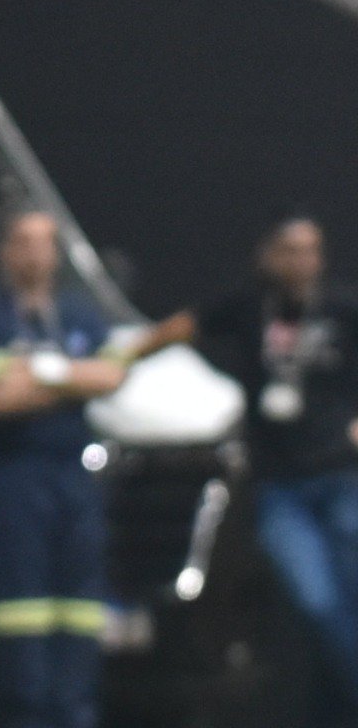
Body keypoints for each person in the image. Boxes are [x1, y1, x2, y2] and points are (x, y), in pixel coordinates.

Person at [146, 213, 358, 721]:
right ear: (268, 253)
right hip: (281, 485)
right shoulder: (248, 307)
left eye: (312, 250)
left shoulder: (341, 307)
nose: (302, 261)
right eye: (291, 249)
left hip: (341, 477)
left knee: (350, 598)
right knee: (315, 602)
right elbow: (183, 325)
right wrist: (118, 359)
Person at [0, 210, 127, 728]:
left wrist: (42, 373)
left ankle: (76, 713)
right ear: (5, 252)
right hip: (14, 477)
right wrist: (70, 377)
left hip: (72, 479)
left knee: (80, 609)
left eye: (46, 243)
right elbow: (2, 398)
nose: (37, 254)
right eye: (25, 242)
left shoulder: (80, 314)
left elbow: (110, 376)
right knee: (21, 612)